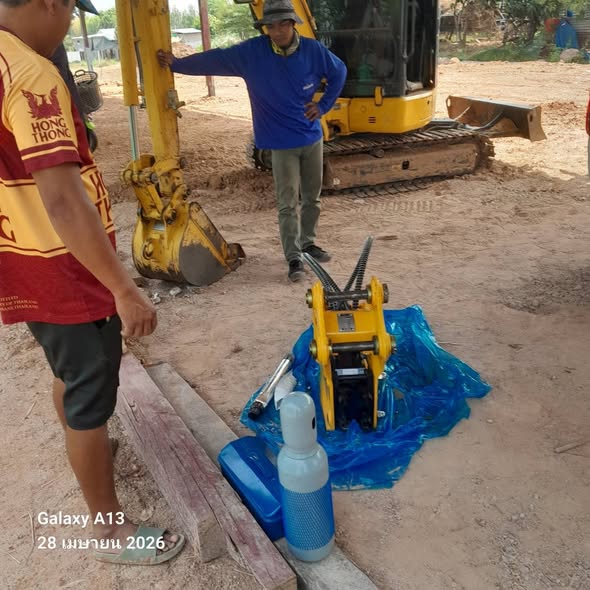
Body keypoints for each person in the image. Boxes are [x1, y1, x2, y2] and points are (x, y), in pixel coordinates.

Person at [0, 0, 185, 565]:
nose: (66, 26)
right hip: (64, 265)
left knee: (71, 372)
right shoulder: (32, 74)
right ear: (48, 3)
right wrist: (123, 289)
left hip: (21, 253)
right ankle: (109, 531)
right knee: (90, 383)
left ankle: (86, 439)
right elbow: (62, 199)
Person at [158, 0, 347, 282]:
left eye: (283, 25)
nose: (277, 31)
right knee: (287, 203)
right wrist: (178, 64)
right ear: (265, 28)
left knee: (312, 198)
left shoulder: (313, 50)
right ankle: (294, 257)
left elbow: (339, 71)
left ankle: (308, 244)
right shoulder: (252, 53)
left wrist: (323, 106)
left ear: (293, 24)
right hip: (280, 143)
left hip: (311, 138)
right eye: (271, 26)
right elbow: (216, 58)